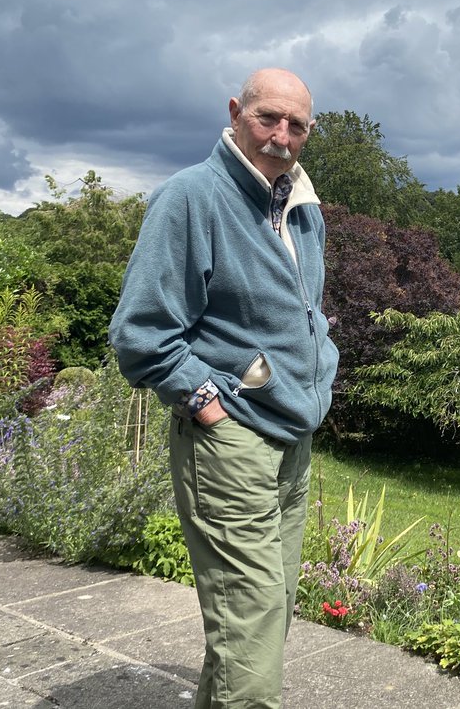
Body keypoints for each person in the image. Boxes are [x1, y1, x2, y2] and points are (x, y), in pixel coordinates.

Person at [109, 67, 339, 708]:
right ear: (237, 112)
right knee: (255, 621)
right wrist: (208, 404)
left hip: (292, 436)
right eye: (268, 117)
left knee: (264, 617)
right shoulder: (191, 197)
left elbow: (306, 308)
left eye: (297, 125)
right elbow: (143, 333)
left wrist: (322, 369)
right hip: (231, 438)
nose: (281, 136)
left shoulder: (300, 205)